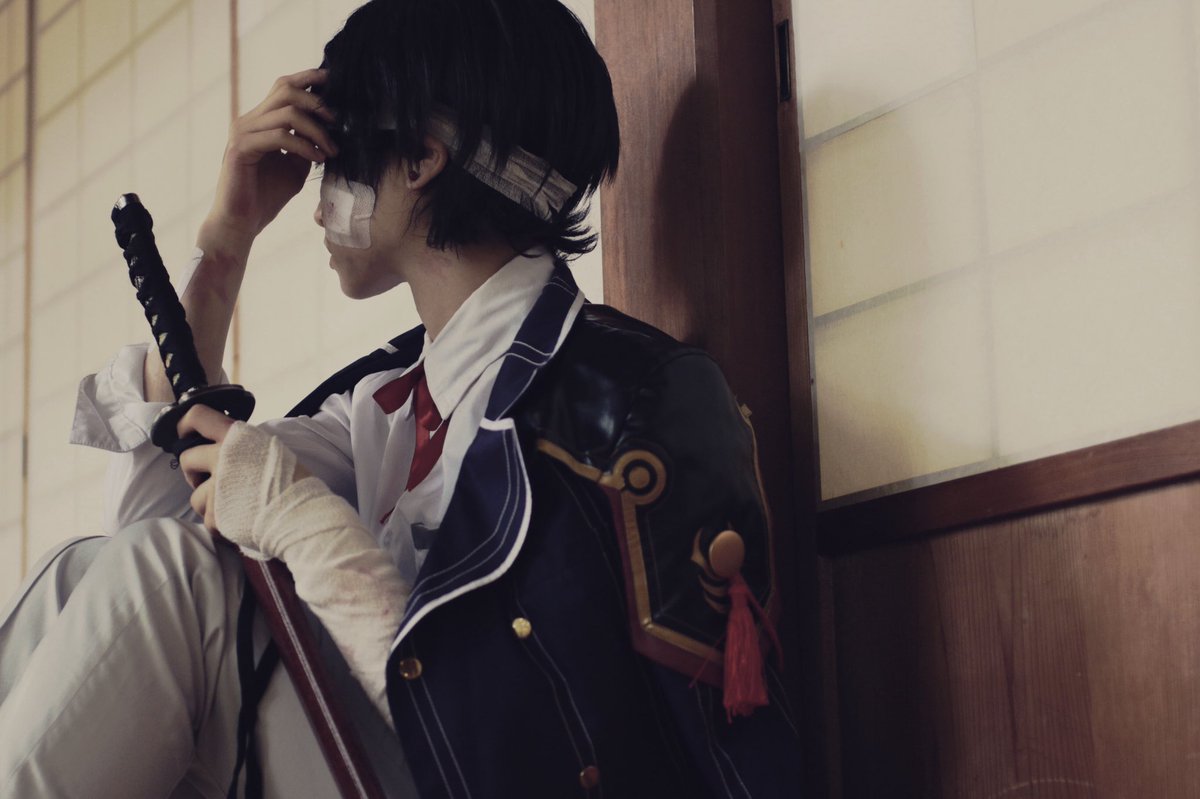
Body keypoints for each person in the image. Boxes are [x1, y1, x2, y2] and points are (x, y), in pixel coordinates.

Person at [0, 0, 802, 796]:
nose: (316, 196)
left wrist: (305, 524)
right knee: (76, 575)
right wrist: (225, 241)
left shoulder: (634, 394)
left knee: (171, 577)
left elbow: (568, 750)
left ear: (419, 157)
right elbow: (148, 533)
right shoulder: (386, 399)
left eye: (334, 148)